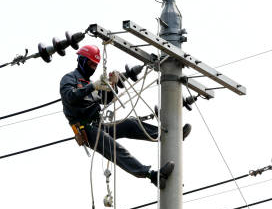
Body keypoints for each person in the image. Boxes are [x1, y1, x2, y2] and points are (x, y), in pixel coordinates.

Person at [60, 44, 191, 189]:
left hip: (98, 125)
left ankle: (170, 135)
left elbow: (105, 100)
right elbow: (69, 96)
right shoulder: (69, 79)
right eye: (90, 63)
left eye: (95, 65)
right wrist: (93, 87)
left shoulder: (88, 83)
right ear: (82, 61)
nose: (93, 67)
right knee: (116, 150)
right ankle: (153, 175)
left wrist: (112, 85)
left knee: (131, 124)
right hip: (86, 131)